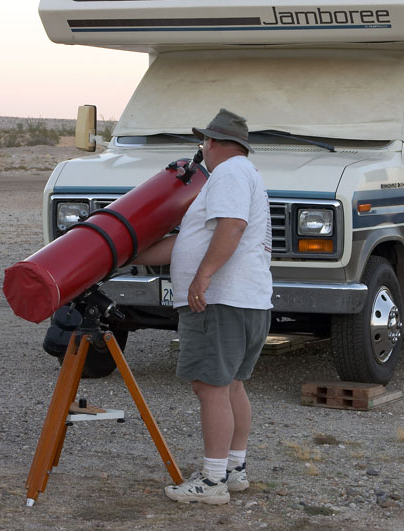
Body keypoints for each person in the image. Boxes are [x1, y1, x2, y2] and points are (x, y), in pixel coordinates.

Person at [135, 108, 273, 504]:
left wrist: (203, 277)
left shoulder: (228, 174)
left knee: (210, 386)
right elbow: (188, 242)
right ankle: (234, 469)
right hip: (247, 300)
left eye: (203, 142)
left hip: (221, 301)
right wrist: (126, 255)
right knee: (229, 385)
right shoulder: (245, 174)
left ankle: (213, 482)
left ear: (212, 142)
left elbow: (232, 227)